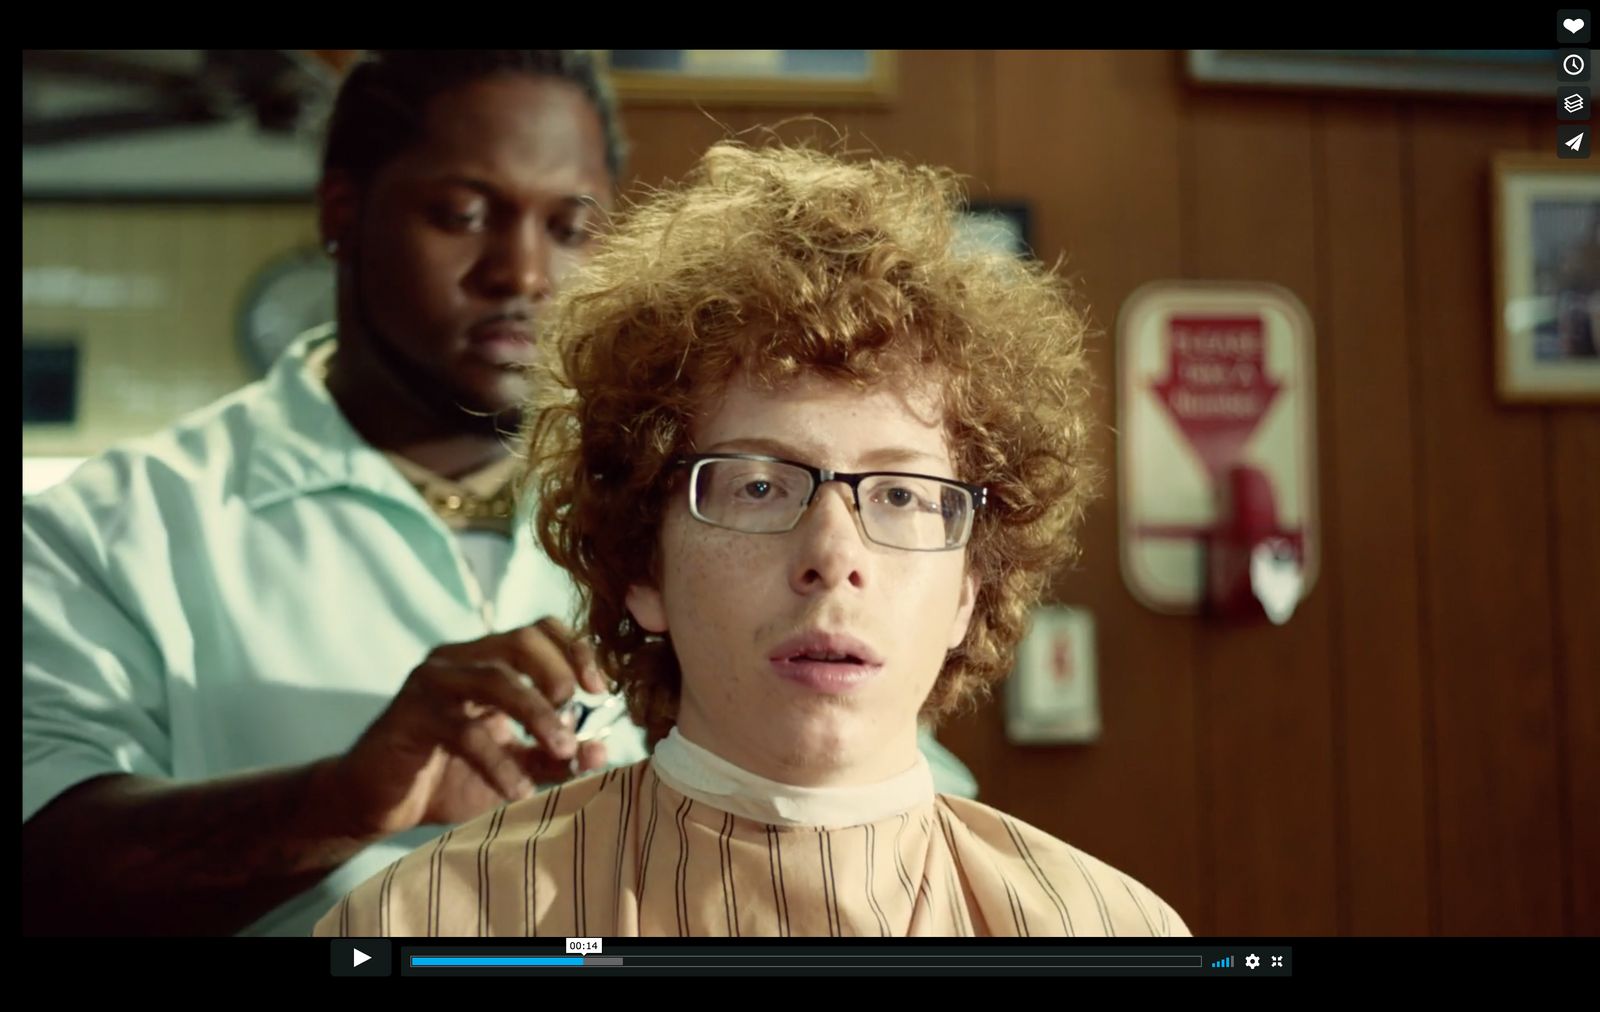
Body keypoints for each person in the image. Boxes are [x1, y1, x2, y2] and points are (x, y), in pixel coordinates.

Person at [21, 50, 975, 938]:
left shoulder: (704, 504)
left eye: (569, 228)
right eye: (465, 214)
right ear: (342, 211)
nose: (521, 274)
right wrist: (343, 801)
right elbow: (44, 868)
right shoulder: (112, 527)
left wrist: (758, 763)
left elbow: (916, 805)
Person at [316, 141, 1189, 937]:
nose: (833, 559)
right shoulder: (425, 927)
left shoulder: (1114, 934)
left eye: (899, 494)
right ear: (640, 564)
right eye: (760, 485)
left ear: (970, 585)